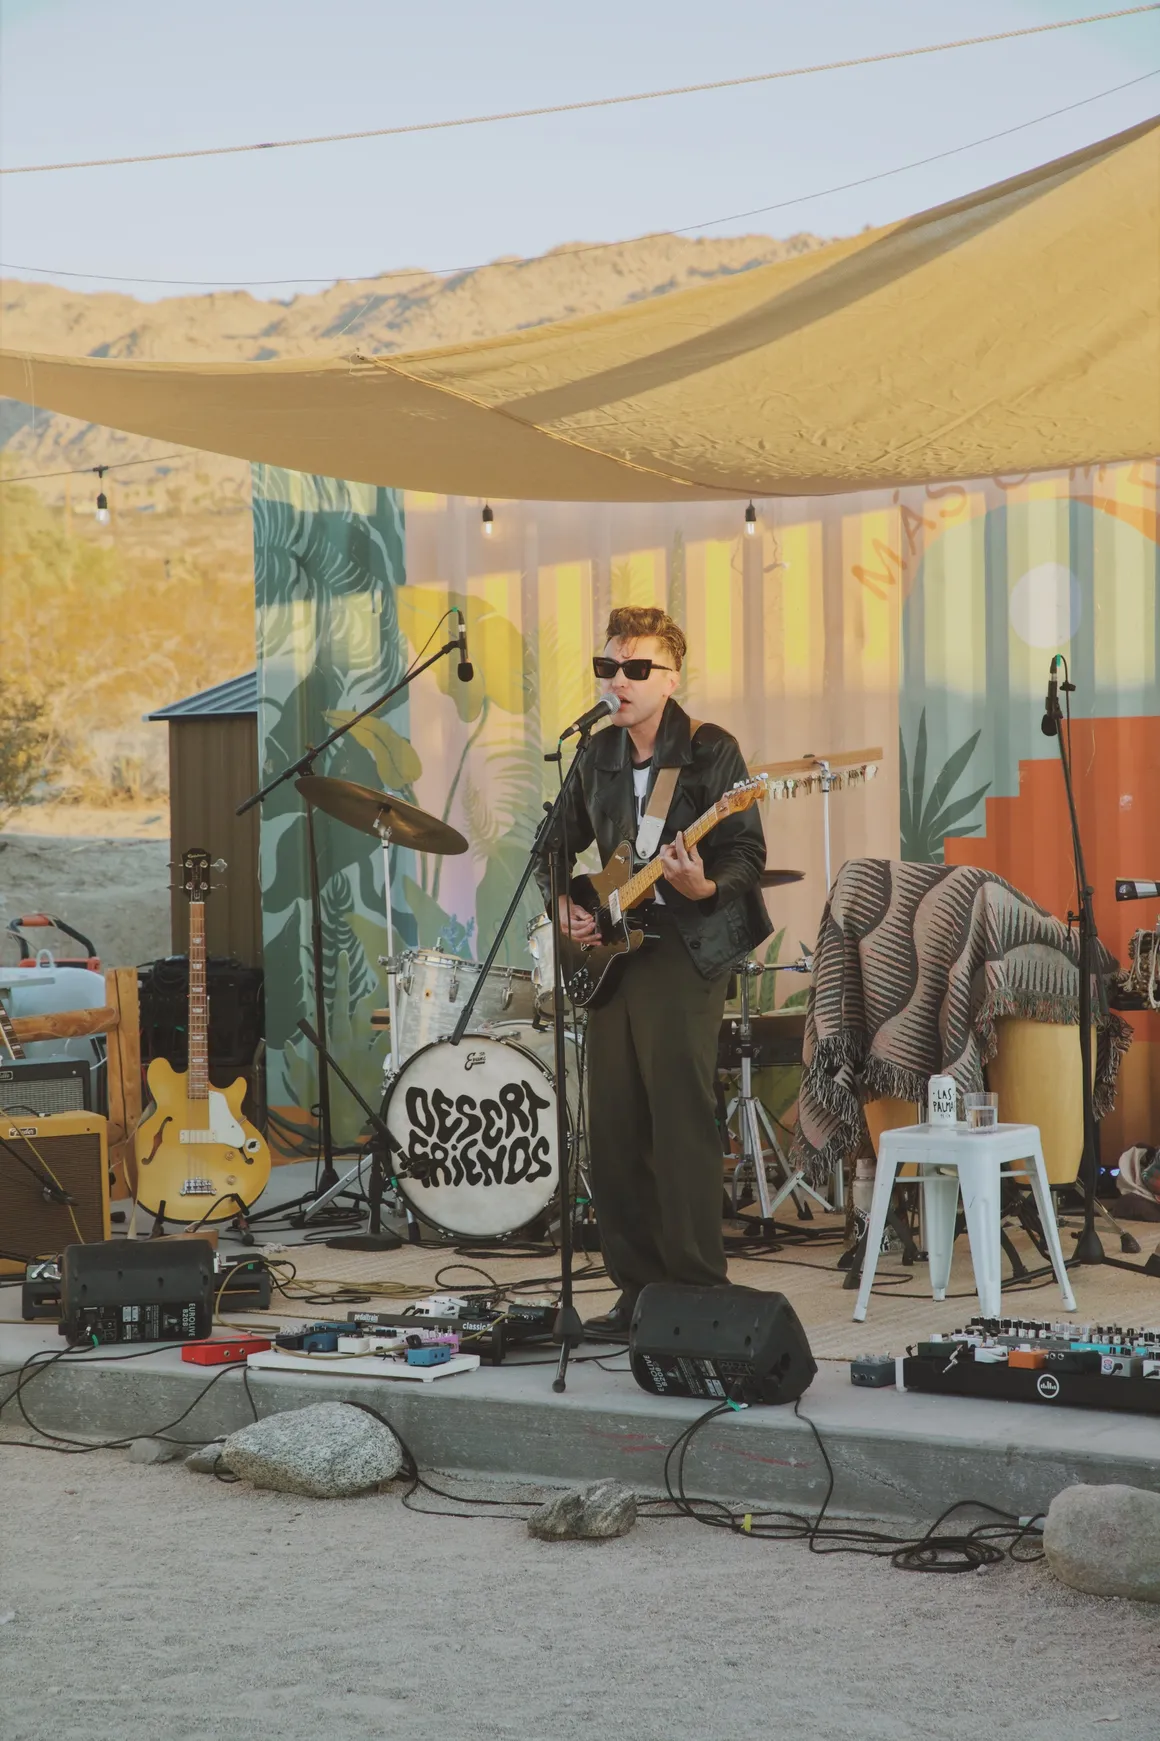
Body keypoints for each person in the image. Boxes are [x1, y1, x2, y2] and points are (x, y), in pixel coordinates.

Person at [537, 605, 771, 1340]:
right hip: (613, 953)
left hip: (684, 944)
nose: (619, 680)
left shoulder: (710, 750)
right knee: (612, 1125)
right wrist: (566, 905)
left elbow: (746, 851)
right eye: (608, 667)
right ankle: (636, 1291)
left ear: (671, 678)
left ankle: (696, 1286)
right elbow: (550, 848)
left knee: (678, 1119)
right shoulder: (596, 754)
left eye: (637, 668)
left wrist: (704, 884)